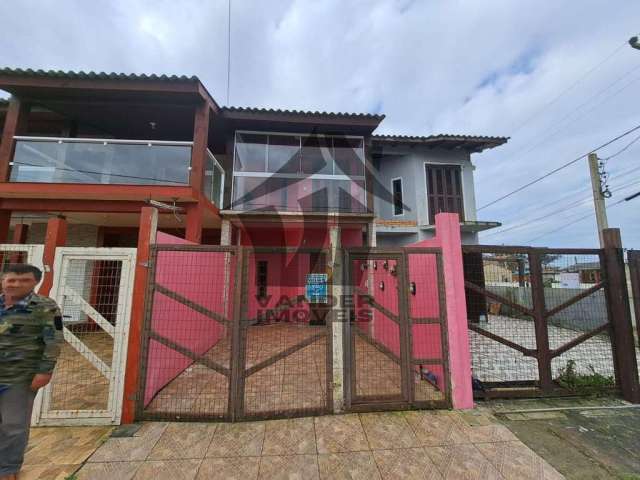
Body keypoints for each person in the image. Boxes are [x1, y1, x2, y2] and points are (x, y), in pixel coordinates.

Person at [0, 264, 63, 480]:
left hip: (20, 375)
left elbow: (54, 340)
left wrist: (45, 370)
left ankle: (8, 468)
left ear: (35, 282)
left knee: (13, 424)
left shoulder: (46, 307)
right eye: (11, 280)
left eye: (24, 280)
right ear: (3, 281)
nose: (16, 284)